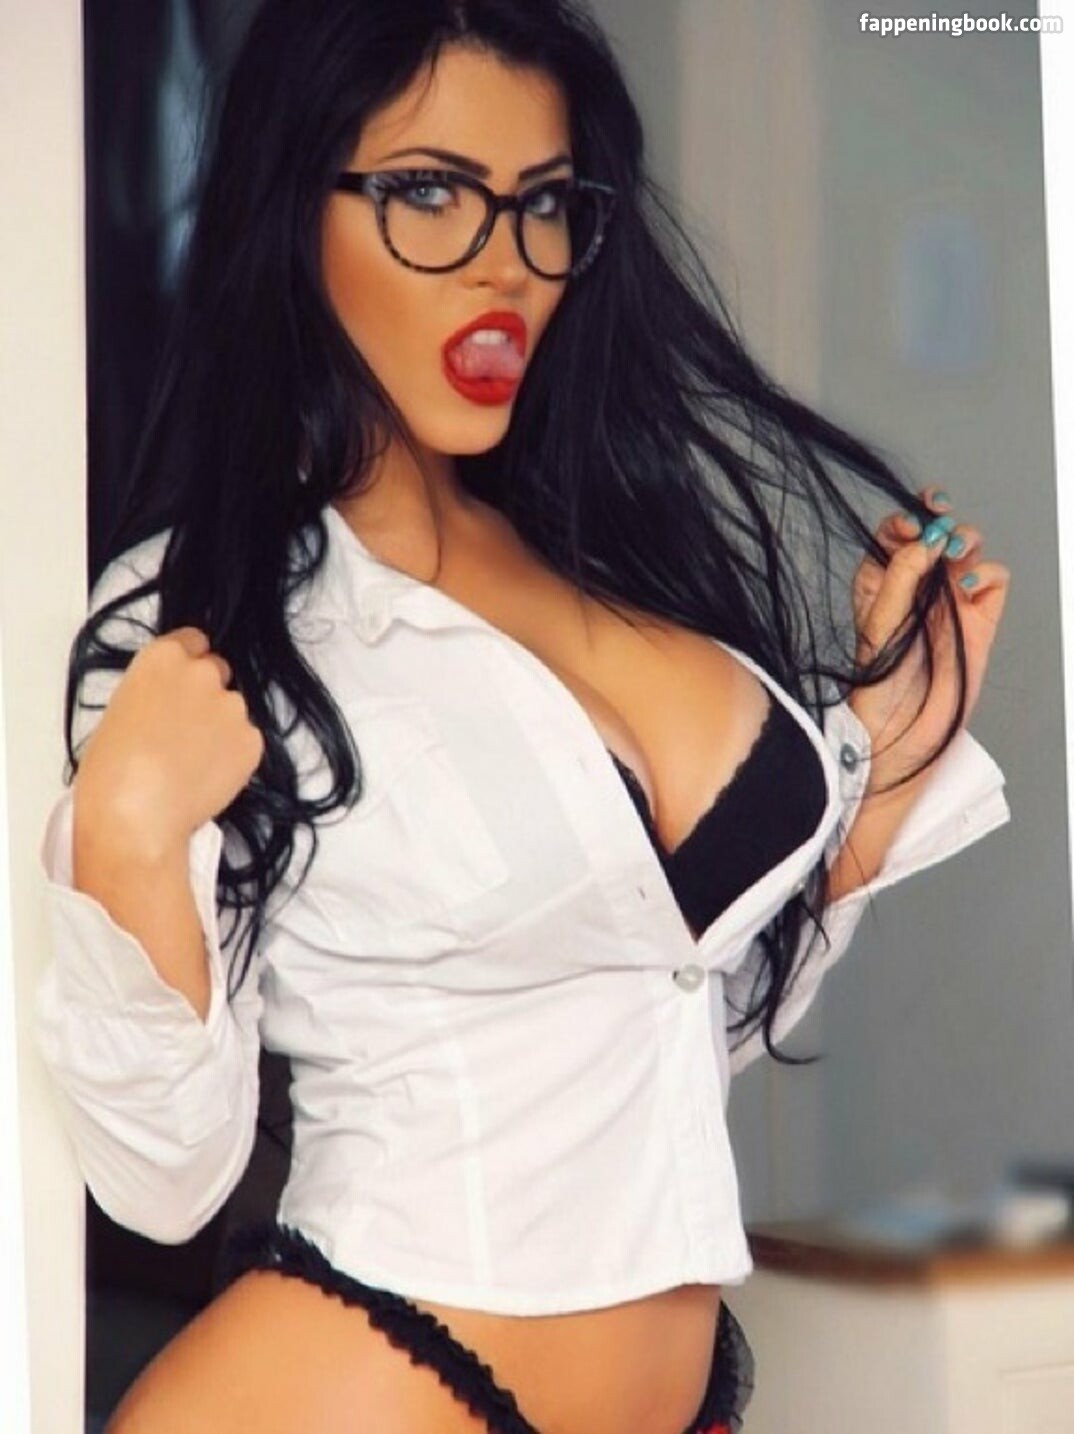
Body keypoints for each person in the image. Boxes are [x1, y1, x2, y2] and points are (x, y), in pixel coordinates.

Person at [33, 1, 1012, 1431]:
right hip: (363, 1377)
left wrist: (886, 757)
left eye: (542, 204)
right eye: (431, 193)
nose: (504, 265)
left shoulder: (616, 551)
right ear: (294, 214)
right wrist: (125, 836)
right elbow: (162, 1176)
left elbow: (659, 1017)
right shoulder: (203, 616)